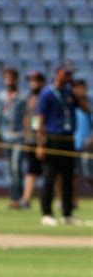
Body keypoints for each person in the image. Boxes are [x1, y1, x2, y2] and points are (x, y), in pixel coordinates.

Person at [36, 63, 91, 226]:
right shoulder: (47, 93)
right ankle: (46, 213)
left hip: (68, 139)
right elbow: (41, 120)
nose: (69, 78)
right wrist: (40, 144)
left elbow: (87, 110)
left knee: (68, 177)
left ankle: (67, 213)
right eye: (66, 74)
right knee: (50, 177)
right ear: (58, 74)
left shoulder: (69, 92)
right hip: (53, 138)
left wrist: (79, 95)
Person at [0, 66, 26, 209]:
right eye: (6, 77)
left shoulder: (22, 97)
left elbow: (28, 116)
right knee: (9, 169)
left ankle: (19, 198)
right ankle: (14, 198)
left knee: (16, 167)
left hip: (19, 136)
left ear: (16, 79)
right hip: (6, 136)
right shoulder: (1, 96)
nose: (8, 80)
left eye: (11, 77)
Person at [18, 70, 46, 209]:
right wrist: (25, 134)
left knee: (53, 172)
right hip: (30, 139)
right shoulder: (29, 97)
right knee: (31, 170)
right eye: (31, 80)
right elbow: (26, 117)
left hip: (45, 139)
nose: (33, 83)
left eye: (35, 80)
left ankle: (60, 201)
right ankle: (26, 199)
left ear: (42, 81)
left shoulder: (46, 96)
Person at [72, 78, 93, 205]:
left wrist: (91, 139)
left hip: (87, 146)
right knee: (72, 175)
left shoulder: (89, 103)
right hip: (72, 144)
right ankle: (73, 201)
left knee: (88, 175)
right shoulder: (70, 103)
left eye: (81, 87)